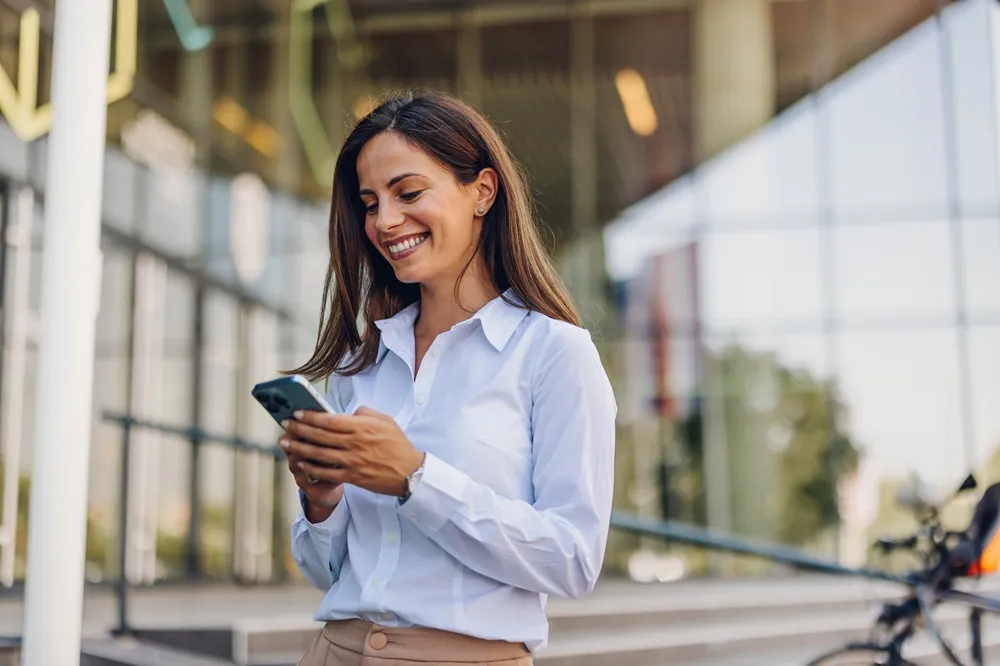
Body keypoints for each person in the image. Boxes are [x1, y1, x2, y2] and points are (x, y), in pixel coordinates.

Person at [278, 90, 617, 666]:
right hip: (334, 652)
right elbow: (327, 572)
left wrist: (415, 478)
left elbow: (574, 559)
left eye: (408, 193)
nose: (384, 221)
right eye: (369, 202)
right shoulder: (363, 367)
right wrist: (321, 501)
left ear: (482, 191)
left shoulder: (553, 354)